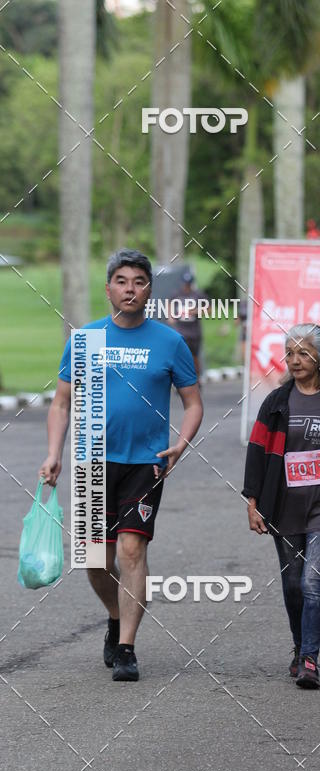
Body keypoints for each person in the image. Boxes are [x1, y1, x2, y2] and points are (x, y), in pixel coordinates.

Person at [39, 249, 203, 682]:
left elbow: (193, 404)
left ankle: (127, 647)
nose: (131, 289)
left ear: (150, 289)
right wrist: (54, 453)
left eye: (140, 281)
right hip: (93, 460)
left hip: (145, 463)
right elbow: (60, 403)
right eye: (122, 281)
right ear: (109, 288)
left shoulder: (170, 342)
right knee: (95, 559)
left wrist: (180, 446)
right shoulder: (86, 339)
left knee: (132, 550)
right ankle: (115, 617)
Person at [243, 323, 320, 689]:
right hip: (284, 506)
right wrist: (252, 500)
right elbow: (257, 452)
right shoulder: (277, 403)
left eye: (303, 353)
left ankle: (310, 658)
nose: (295, 360)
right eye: (290, 353)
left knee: (313, 581)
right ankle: (300, 647)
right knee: (292, 583)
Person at [169, 272, 203, 381]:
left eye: (188, 284)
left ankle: (197, 379)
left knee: (194, 358)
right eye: (185, 284)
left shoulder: (198, 295)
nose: (186, 286)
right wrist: (170, 317)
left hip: (194, 332)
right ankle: (181, 381)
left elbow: (209, 309)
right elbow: (169, 305)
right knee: (181, 357)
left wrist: (196, 311)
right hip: (181, 331)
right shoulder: (176, 295)